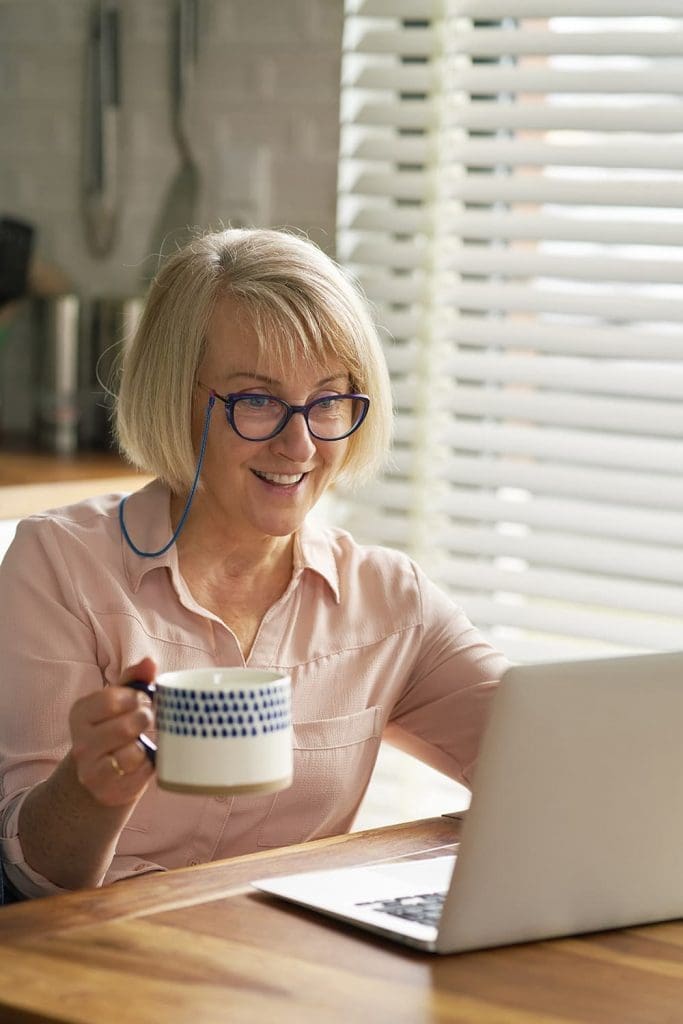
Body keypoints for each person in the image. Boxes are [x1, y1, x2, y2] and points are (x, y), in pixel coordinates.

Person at [0, 228, 509, 898]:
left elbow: (549, 754)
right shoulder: (61, 564)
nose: (298, 444)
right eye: (257, 400)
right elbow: (32, 877)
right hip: (102, 968)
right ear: (174, 395)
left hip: (286, 971)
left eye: (328, 399)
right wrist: (91, 786)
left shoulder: (388, 601)